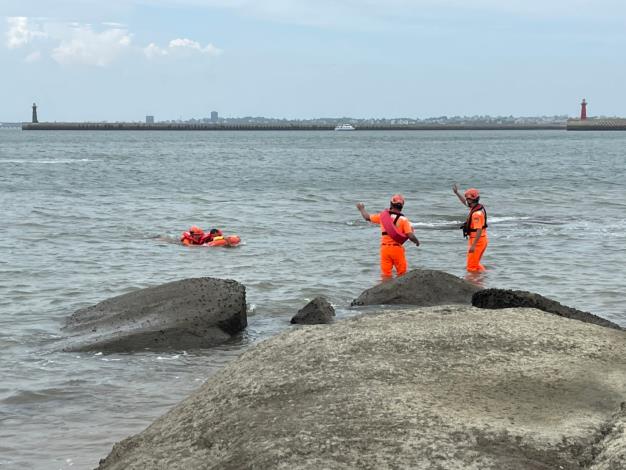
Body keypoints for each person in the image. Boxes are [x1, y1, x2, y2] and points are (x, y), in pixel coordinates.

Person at [356, 194, 420, 279]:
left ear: (391, 204)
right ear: (402, 206)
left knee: (386, 275)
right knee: (402, 274)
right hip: (397, 250)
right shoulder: (404, 220)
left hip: (384, 250)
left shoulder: (382, 217)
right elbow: (410, 235)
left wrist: (361, 209)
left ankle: (385, 289)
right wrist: (417, 242)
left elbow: (367, 217)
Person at [452, 184, 488, 272]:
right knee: (475, 264)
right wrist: (457, 193)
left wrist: (473, 245)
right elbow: (465, 202)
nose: (467, 201)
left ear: (472, 199)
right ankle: (484, 276)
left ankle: (474, 283)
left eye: (468, 199)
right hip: (481, 240)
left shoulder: (476, 214)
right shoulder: (477, 207)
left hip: (477, 241)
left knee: (471, 267)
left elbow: (479, 229)